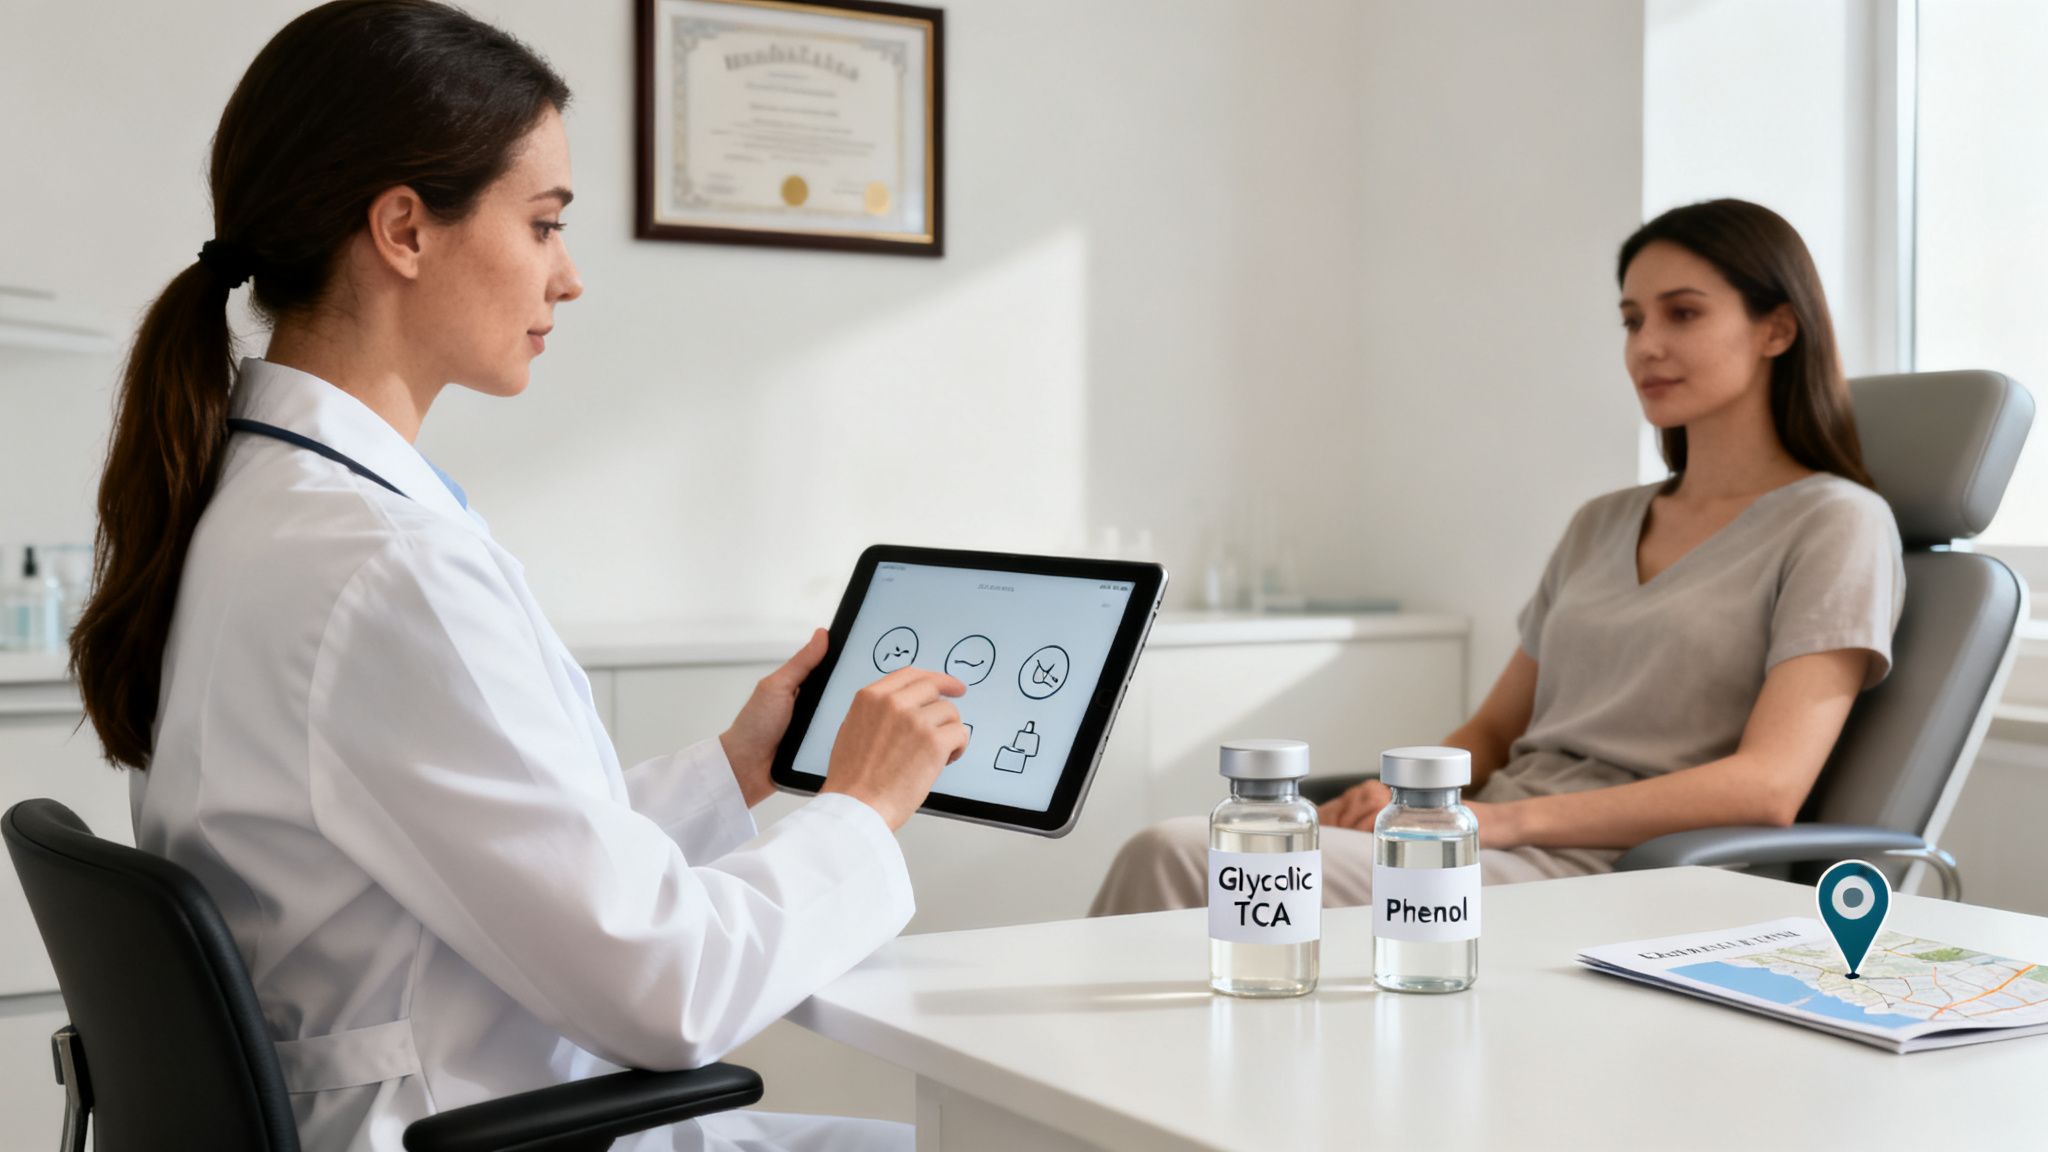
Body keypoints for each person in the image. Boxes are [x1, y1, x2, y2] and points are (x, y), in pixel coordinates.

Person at [67, 3, 966, 1149]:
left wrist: (734, 770)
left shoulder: (258, 508)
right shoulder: (383, 568)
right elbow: (670, 991)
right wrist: (861, 809)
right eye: (543, 224)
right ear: (403, 229)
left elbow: (476, 842)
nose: (569, 276)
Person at [1091, 198, 1905, 916]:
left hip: (1621, 871)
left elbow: (1767, 789)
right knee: (1205, 858)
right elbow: (1494, 727)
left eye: (1682, 314)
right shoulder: (1603, 522)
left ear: (1778, 328)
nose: (1646, 346)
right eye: (1631, 320)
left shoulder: (1836, 524)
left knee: (1185, 857)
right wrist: (1408, 792)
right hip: (1487, 842)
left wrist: (1498, 819)